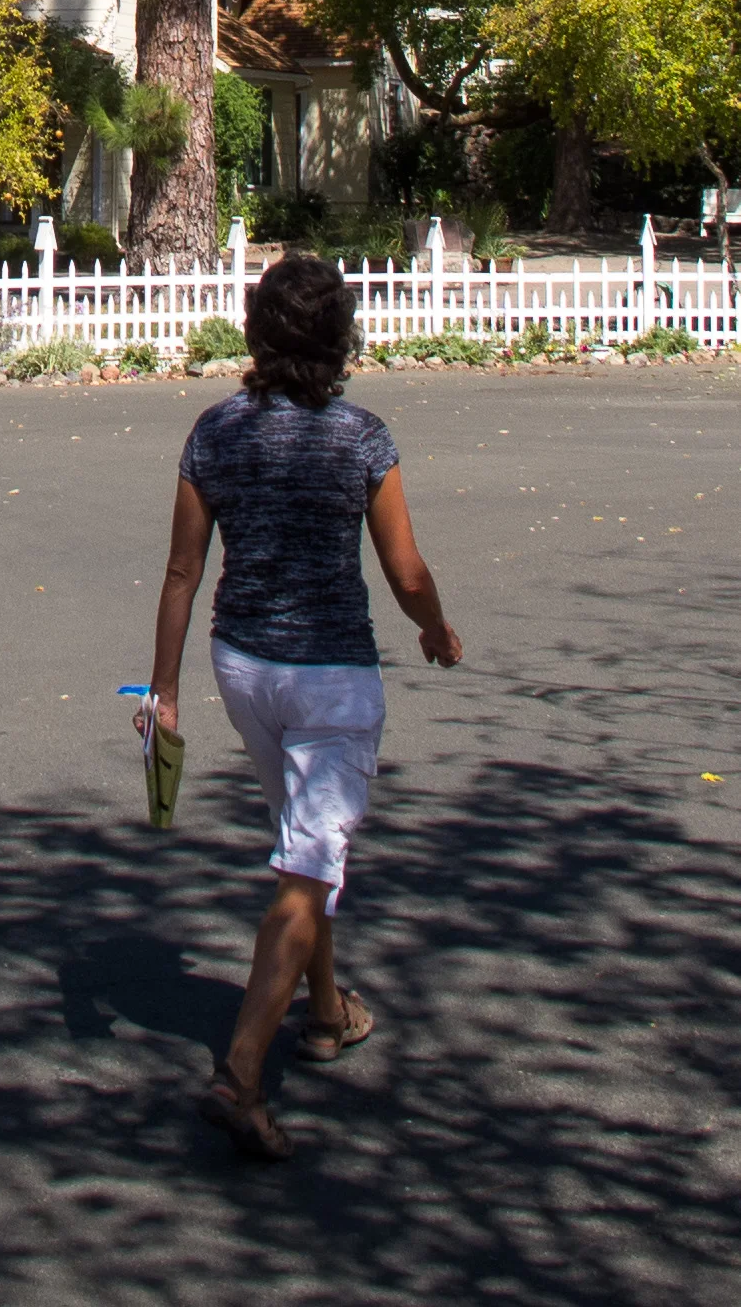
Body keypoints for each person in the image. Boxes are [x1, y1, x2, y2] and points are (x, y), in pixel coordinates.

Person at [142, 252, 462, 1161]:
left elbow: (181, 570)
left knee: (301, 852)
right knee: (311, 861)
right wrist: (436, 627)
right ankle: (241, 1073)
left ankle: (326, 1012)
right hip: (331, 678)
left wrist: (163, 691)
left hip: (242, 668)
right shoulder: (363, 438)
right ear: (339, 337)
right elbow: (403, 571)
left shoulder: (214, 433)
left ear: (257, 332)